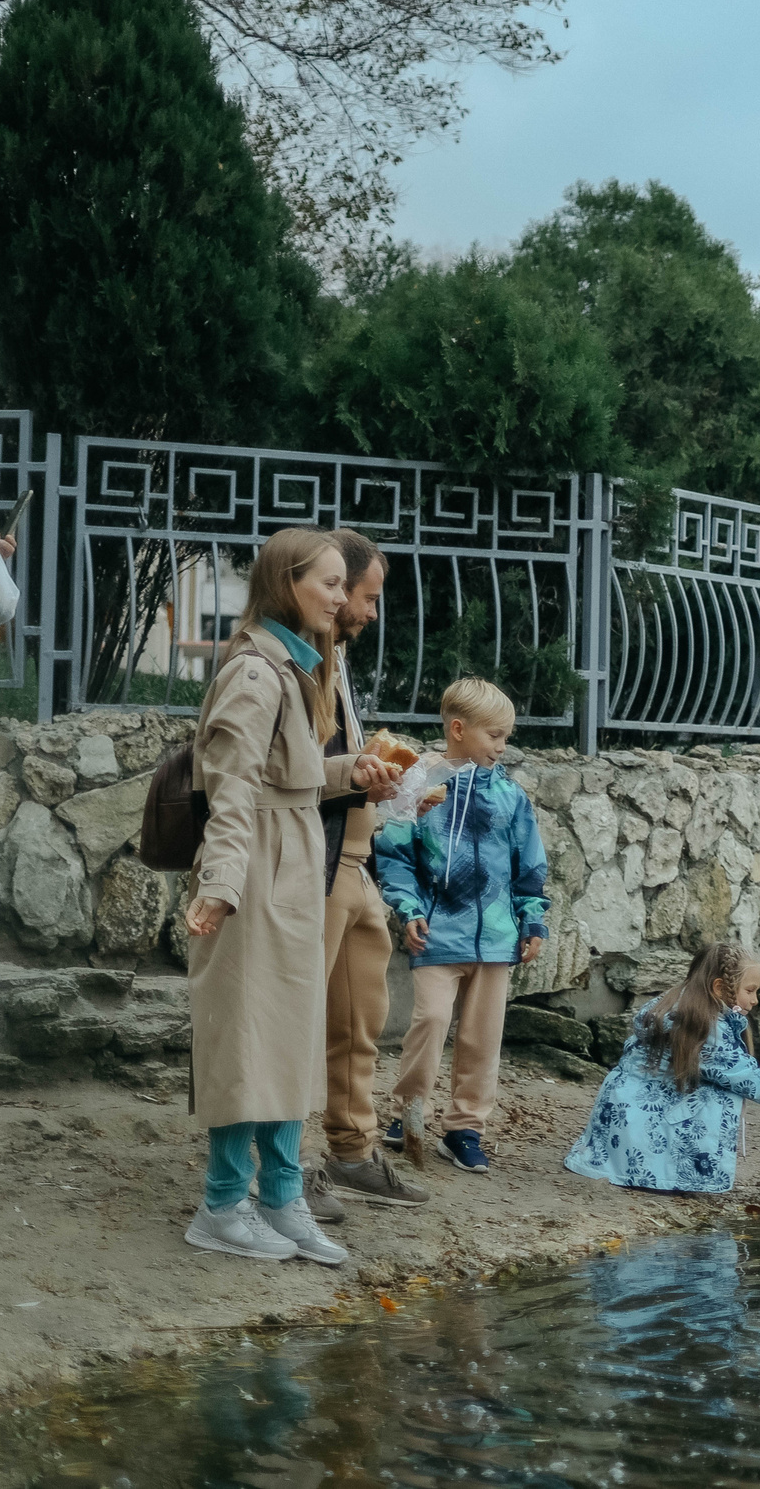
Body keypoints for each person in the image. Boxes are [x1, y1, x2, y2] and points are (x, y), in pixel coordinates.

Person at [182, 528, 394, 1263]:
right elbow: (232, 789)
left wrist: (352, 774)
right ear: (288, 583)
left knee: (284, 1043)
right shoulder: (254, 672)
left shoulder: (293, 669)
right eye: (331, 583)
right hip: (259, 873)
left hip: (293, 867)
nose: (343, 597)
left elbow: (287, 780)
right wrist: (221, 885)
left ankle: (277, 1197)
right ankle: (220, 1203)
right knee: (246, 1037)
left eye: (345, 584)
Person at [375, 676, 550, 1175]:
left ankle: (464, 1129)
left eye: (506, 736)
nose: (503, 745)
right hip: (436, 932)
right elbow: (394, 854)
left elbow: (528, 865)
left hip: (497, 940)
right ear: (458, 729)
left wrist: (531, 918)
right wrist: (408, 909)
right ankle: (408, 1112)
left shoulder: (511, 796)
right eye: (495, 735)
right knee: (429, 1021)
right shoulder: (418, 785)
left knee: (482, 1037)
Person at [308, 529, 430, 1213]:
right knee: (301, 1020)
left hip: (355, 863)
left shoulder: (337, 657)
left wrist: (390, 784)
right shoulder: (297, 662)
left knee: (360, 1021)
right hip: (322, 865)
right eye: (367, 596)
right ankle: (288, 1163)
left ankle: (351, 1150)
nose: (370, 612)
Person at [564, 941, 760, 1194]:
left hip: (619, 1122)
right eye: (750, 990)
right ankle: (674, 1171)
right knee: (719, 1091)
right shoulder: (707, 1028)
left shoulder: (668, 1004)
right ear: (718, 988)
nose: (755, 999)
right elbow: (749, 1079)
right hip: (648, 1133)